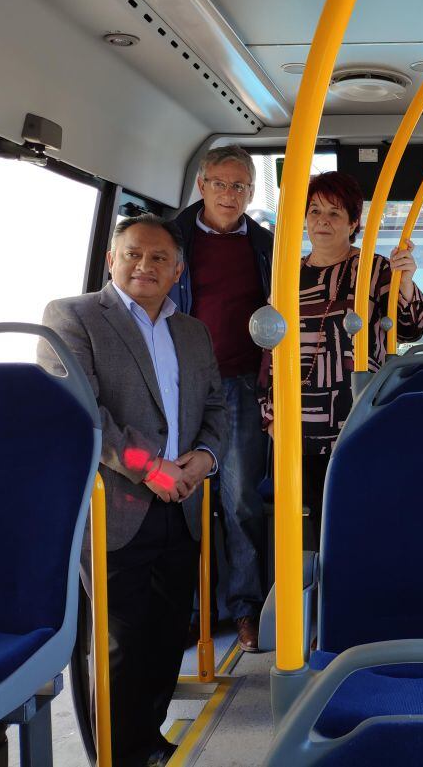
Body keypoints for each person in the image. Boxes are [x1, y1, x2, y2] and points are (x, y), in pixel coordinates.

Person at [39, 215, 226, 767]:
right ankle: (116, 755)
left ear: (177, 270)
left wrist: (204, 460)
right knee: (118, 642)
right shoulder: (72, 318)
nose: (145, 266)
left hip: (183, 503)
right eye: (134, 255)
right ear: (112, 261)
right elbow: (80, 412)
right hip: (116, 504)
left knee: (169, 635)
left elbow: (214, 407)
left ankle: (147, 738)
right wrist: (151, 469)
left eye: (159, 258)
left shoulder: (192, 332)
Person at [259, 171, 423, 548]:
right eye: (315, 211)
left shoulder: (375, 268)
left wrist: (407, 282)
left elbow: (412, 327)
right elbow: (271, 348)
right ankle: (313, 597)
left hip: (358, 410)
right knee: (309, 524)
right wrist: (270, 415)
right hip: (299, 418)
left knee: (357, 513)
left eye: (334, 214)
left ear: (353, 223)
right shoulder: (287, 274)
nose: (322, 221)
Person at [169, 144, 272, 653]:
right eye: (221, 184)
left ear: (252, 193)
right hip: (180, 386)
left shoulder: (267, 246)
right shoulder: (172, 239)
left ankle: (246, 609)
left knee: (241, 503)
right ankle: (193, 612)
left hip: (242, 384)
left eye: (240, 187)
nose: (230, 195)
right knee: (181, 499)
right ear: (201, 185)